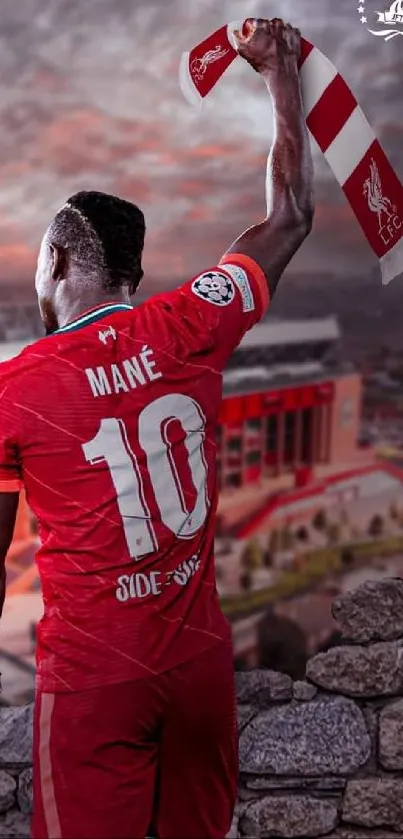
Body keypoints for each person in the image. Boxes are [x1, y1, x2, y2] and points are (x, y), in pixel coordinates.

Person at [0, 18, 314, 839]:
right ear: (133, 275)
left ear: (61, 264)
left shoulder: (14, 387)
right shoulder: (186, 325)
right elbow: (289, 218)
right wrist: (280, 70)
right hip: (199, 668)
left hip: (96, 681)